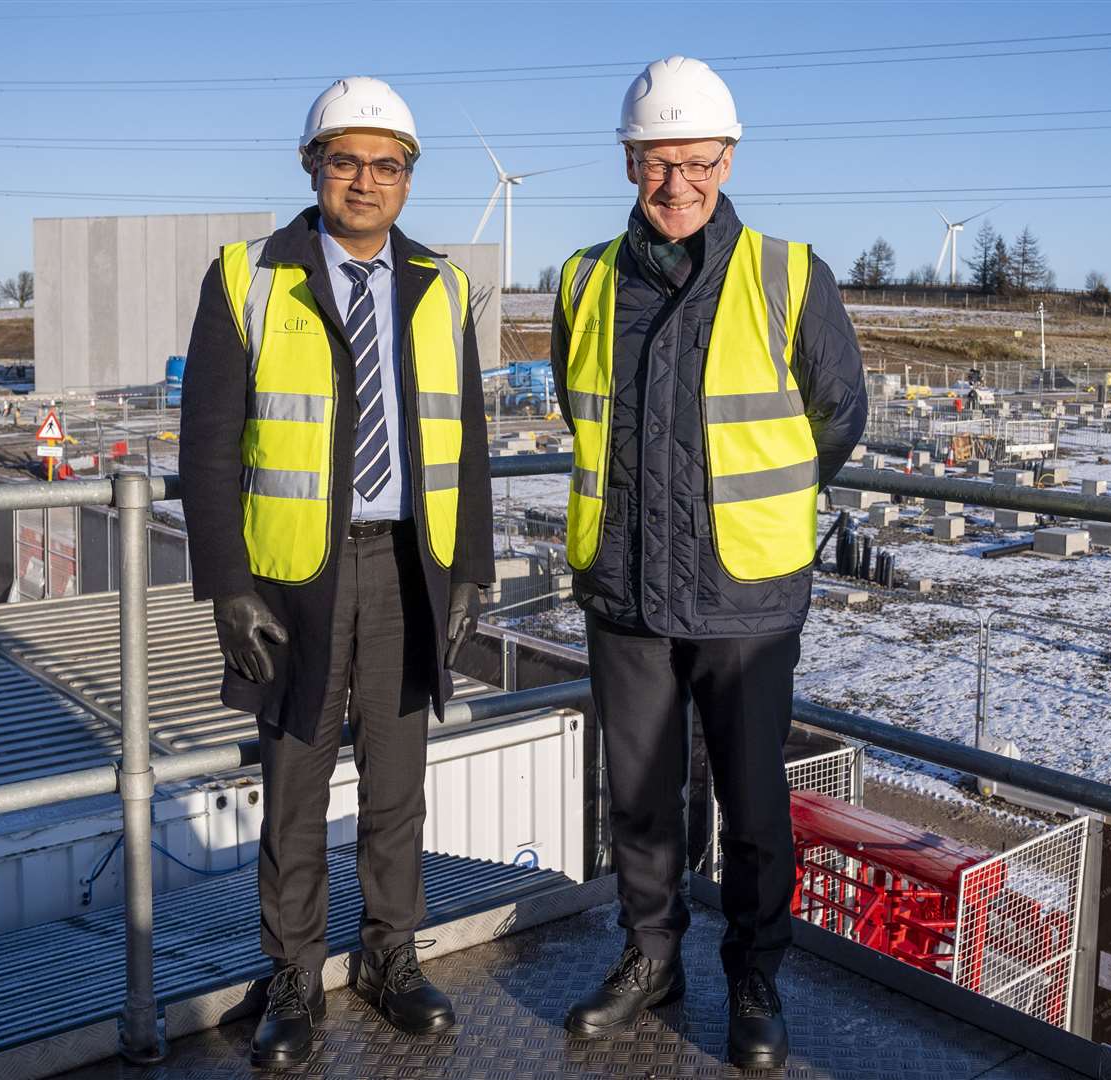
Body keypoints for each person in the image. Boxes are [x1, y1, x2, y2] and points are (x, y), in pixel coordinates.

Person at [551, 55, 866, 1070]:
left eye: (696, 162)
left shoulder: (788, 273)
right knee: (639, 794)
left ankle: (753, 975)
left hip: (746, 592)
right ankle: (650, 959)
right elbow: (579, 405)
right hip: (629, 586)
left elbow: (838, 416)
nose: (677, 183)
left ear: (728, 161)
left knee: (752, 801)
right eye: (656, 162)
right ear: (628, 163)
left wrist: (744, 502)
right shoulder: (585, 280)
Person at [179, 76, 494, 1069]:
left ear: (409, 177)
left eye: (386, 164)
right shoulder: (247, 275)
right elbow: (210, 447)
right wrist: (229, 584)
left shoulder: (442, 283)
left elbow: (469, 440)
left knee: (399, 786)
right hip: (295, 578)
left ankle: (393, 959)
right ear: (311, 166)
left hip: (409, 566)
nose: (365, 181)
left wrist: (470, 570)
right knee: (297, 785)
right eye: (345, 160)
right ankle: (293, 978)